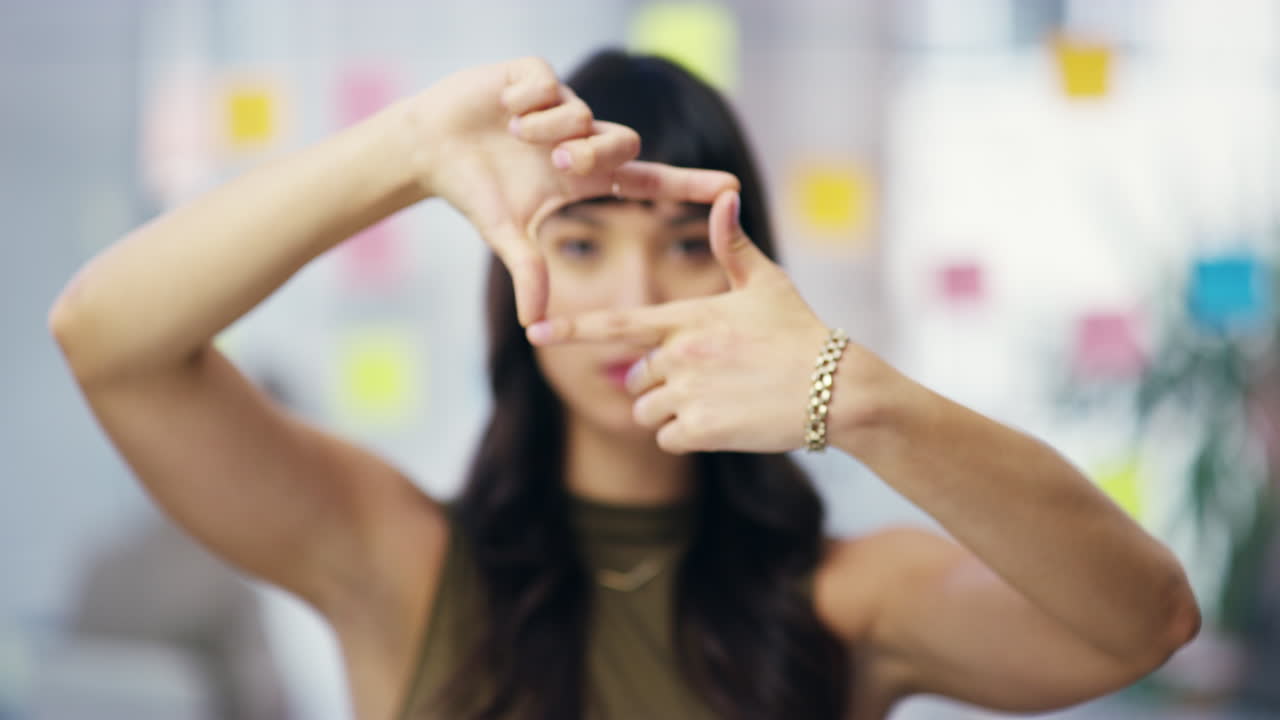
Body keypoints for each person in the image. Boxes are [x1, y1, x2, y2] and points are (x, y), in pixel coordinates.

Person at [49, 49, 1200, 720]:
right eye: (584, 240)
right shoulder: (391, 557)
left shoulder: (848, 598)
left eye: (689, 240)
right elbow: (107, 338)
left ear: (755, 278)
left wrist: (858, 396)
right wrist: (405, 152)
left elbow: (1142, 621)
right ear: (513, 277)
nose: (633, 295)